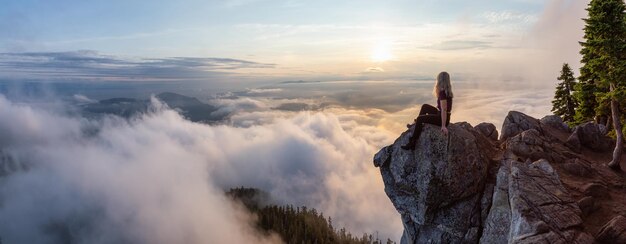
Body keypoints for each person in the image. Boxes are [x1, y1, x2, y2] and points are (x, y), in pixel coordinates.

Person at [401, 71, 453, 150]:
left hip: (442, 118)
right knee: (425, 106)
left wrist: (443, 126)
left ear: (440, 80)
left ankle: (412, 143)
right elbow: (443, 107)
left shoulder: (442, 93)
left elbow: (444, 109)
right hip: (441, 114)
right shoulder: (446, 91)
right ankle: (416, 124)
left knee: (420, 119)